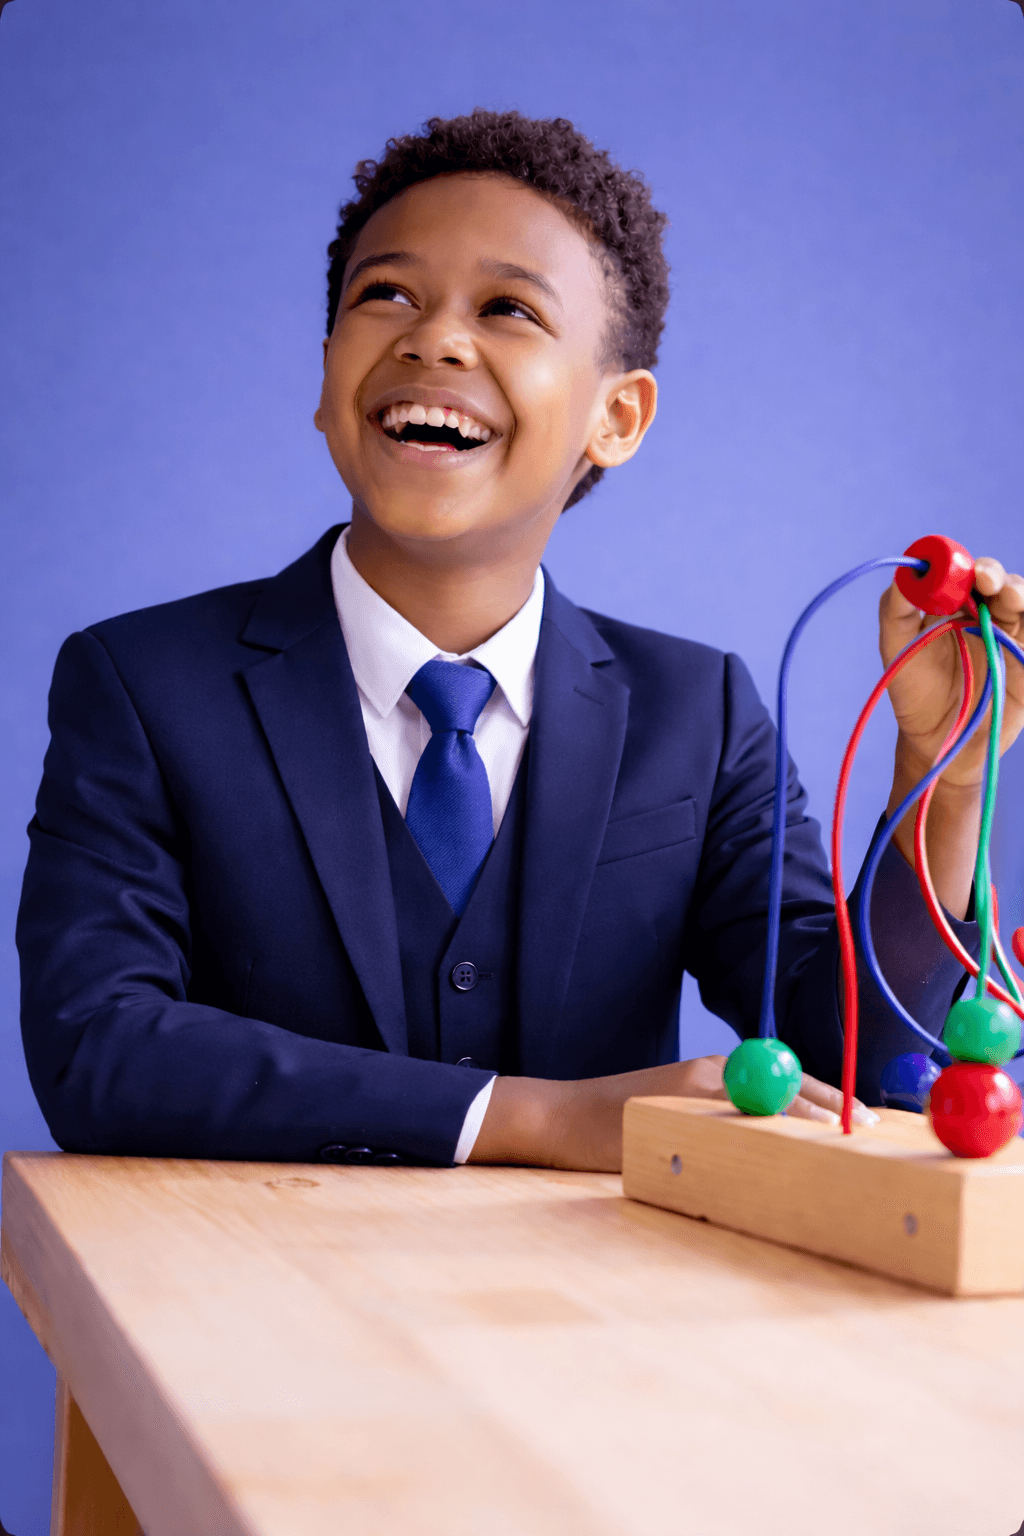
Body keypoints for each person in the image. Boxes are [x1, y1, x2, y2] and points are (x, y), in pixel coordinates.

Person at [17, 111, 1024, 1173]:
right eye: (384, 295)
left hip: (592, 1324)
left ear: (618, 418)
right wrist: (535, 1116)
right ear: (324, 379)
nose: (433, 338)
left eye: (506, 308)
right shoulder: (142, 685)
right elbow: (98, 1049)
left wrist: (944, 781)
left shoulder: (699, 713)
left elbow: (858, 1053)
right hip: (243, 1303)